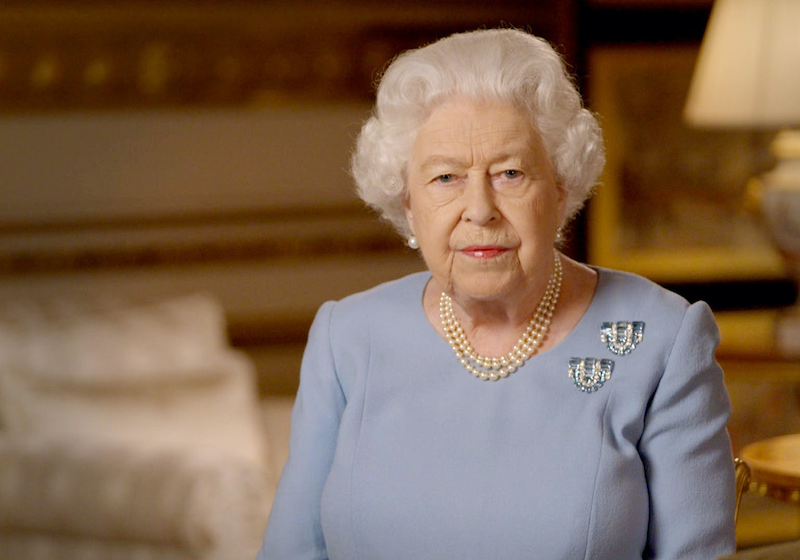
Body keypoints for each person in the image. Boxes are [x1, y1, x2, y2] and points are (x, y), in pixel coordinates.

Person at [257, 28, 735, 559]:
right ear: (408, 204)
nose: (479, 208)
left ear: (558, 192)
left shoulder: (661, 341)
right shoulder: (346, 338)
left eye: (510, 173)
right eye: (445, 178)